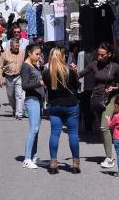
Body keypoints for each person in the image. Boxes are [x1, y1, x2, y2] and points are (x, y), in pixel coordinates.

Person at [79, 43, 119, 169]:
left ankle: (109, 158)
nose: (99, 57)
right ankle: (108, 155)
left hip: (109, 99)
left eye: (102, 55)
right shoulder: (94, 64)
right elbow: (81, 74)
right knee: (103, 129)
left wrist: (114, 88)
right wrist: (71, 71)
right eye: (98, 54)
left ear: (109, 54)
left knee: (104, 127)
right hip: (96, 99)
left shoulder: (115, 67)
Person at [42, 47, 80, 175]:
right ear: (62, 56)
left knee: (54, 133)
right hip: (71, 105)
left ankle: (53, 163)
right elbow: (77, 86)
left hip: (54, 106)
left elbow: (47, 87)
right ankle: (75, 163)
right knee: (73, 133)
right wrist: (75, 71)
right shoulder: (70, 71)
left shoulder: (47, 73)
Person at [20, 44, 45, 169]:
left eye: (39, 54)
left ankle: (34, 157)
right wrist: (38, 83)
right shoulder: (25, 66)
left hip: (38, 99)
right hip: (31, 100)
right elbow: (24, 85)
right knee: (33, 129)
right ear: (29, 53)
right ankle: (27, 159)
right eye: (36, 54)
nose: (38, 56)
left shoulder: (34, 65)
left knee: (37, 130)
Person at [0, 38, 24, 119]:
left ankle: (19, 113)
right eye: (15, 46)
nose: (17, 48)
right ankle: (15, 109)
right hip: (9, 77)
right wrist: (0, 79)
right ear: (11, 46)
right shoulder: (5, 54)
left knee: (19, 95)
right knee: (10, 95)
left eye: (18, 46)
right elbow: (0, 67)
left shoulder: (22, 52)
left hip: (19, 76)